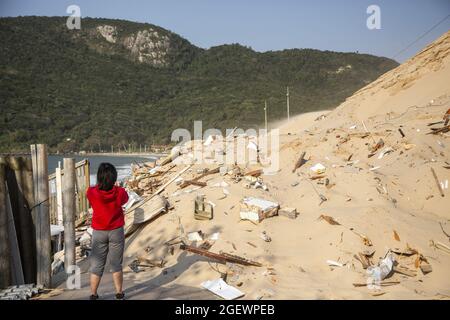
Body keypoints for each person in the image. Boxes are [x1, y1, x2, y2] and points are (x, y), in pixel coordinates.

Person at [86, 162, 129, 300]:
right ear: (114, 177)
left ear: (99, 177)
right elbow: (125, 199)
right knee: (116, 264)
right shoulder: (120, 192)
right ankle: (119, 293)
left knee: (97, 265)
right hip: (116, 230)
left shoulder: (91, 192)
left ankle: (93, 294)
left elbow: (92, 201)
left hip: (99, 232)